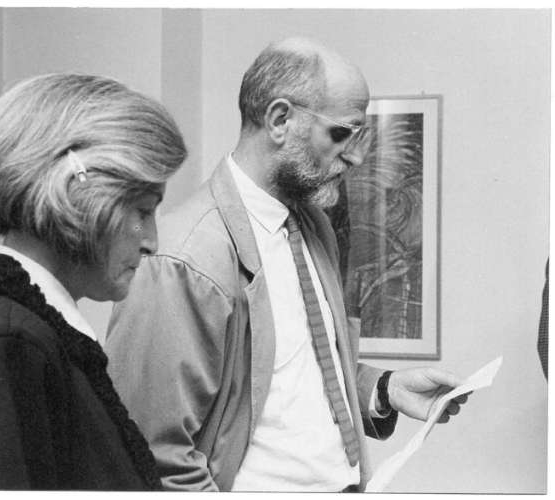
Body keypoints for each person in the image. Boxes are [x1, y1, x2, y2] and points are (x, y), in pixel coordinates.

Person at [105, 38, 467, 492]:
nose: (356, 156)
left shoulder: (313, 225)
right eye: (342, 134)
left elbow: (292, 374)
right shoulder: (183, 259)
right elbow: (148, 453)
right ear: (280, 120)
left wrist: (384, 388)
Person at [0, 73, 187, 489]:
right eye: (143, 211)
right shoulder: (5, 345)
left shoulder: (20, 333)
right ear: (79, 198)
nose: (151, 242)